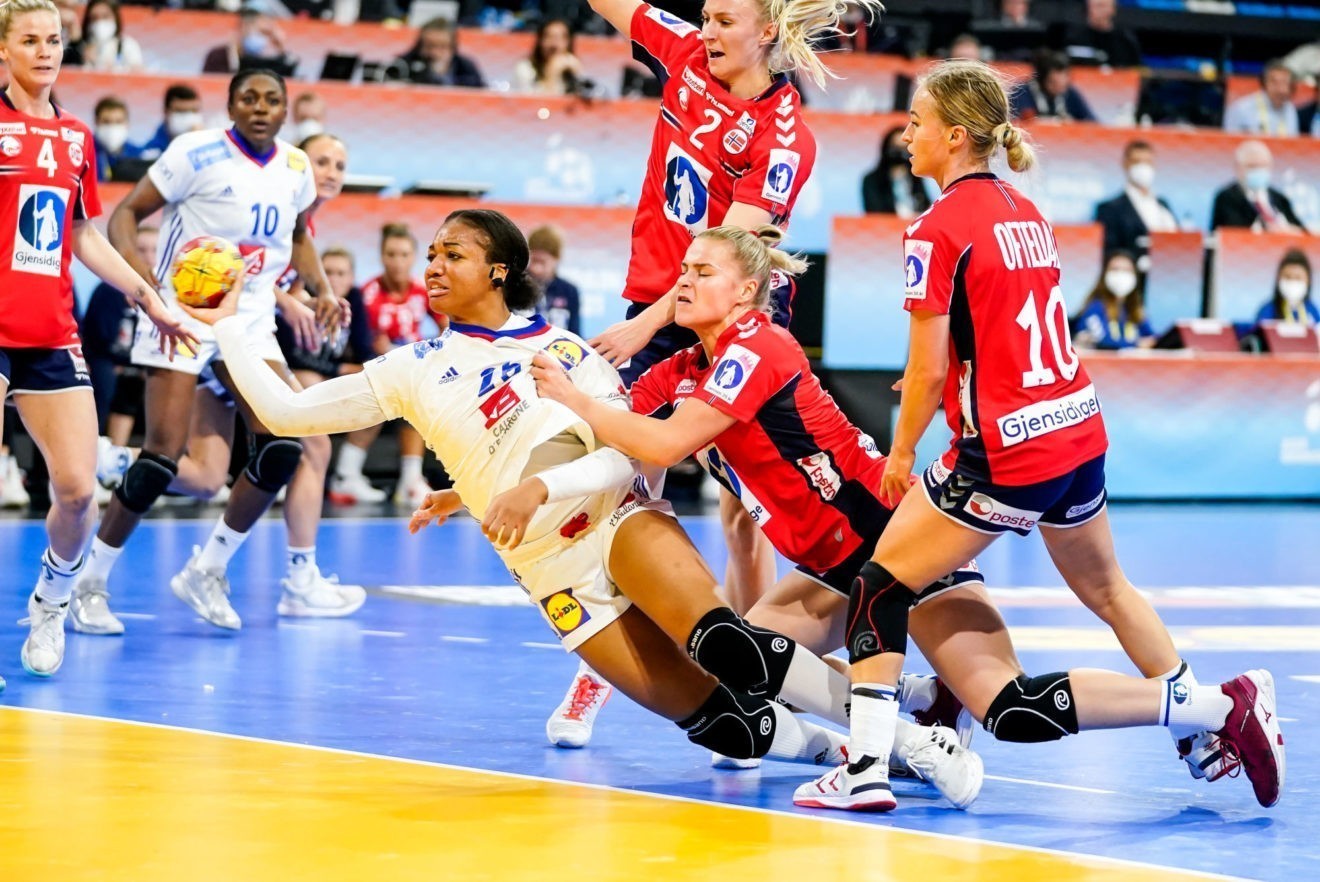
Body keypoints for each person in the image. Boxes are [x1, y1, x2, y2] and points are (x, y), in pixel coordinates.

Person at [185, 207, 985, 801]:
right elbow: (287, 414)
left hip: (610, 515)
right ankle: (840, 744)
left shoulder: (564, 350)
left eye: (452, 254)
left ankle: (909, 743)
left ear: (499, 269)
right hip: (542, 563)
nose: (432, 265)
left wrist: (541, 486)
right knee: (723, 724)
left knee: (728, 647)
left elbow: (625, 448)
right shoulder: (409, 368)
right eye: (428, 254)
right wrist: (226, 329)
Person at [785, 58, 1283, 812]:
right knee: (1110, 590)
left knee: (877, 588)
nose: (906, 136)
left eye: (917, 123)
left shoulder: (935, 226)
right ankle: (1202, 731)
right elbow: (1001, 322)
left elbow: (922, 376)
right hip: (1076, 427)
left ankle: (864, 773)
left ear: (955, 137)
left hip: (1009, 453)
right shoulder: (1026, 210)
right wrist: (954, 371)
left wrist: (900, 452)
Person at [552, 0, 884, 749]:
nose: (706, 29)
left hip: (727, 305)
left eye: (724, 19)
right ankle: (600, 673)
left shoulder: (784, 137)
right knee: (631, 490)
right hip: (658, 298)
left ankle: (757, 670)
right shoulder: (683, 55)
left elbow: (730, 257)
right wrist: (646, 316)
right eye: (703, 15)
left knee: (745, 508)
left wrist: (646, 322)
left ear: (767, 30)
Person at [68, 68, 351, 649]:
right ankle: (87, 583)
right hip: (181, 313)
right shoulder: (194, 153)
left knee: (283, 443)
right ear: (230, 105)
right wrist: (142, 283)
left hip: (247, 319)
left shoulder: (297, 167)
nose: (260, 107)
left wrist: (320, 288)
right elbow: (125, 214)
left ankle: (207, 568)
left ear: (285, 109)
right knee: (162, 460)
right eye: (248, 97)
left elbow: (299, 234)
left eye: (272, 99)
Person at [0, 0, 195, 678]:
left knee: (78, 490)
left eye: (53, 39)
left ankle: (51, 601)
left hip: (49, 329)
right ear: (4, 50)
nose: (45, 51)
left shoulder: (78, 139)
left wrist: (150, 296)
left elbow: (84, 233)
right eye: (29, 40)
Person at [164, 130, 366, 616]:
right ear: (296, 164)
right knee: (309, 442)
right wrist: (288, 301)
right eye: (321, 162)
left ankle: (109, 460)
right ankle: (297, 578)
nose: (331, 173)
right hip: (225, 334)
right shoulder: (265, 201)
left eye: (339, 165)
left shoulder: (303, 230)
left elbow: (257, 271)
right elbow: (231, 267)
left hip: (237, 338)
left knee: (205, 475)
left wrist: (315, 297)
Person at [330, 223, 438, 508]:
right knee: (388, 394)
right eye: (391, 254)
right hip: (376, 371)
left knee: (421, 392)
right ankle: (346, 476)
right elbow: (363, 346)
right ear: (381, 256)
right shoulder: (367, 294)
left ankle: (410, 480)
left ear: (414, 257)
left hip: (410, 370)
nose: (398, 261)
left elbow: (448, 328)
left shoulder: (422, 291)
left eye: (404, 254)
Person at [1093, 139, 1179, 266]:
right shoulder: (1110, 209)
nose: (1143, 167)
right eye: (1137, 161)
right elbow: (1109, 251)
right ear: (1125, 164)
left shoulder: (1163, 204)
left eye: (1148, 162)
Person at [1211, 140, 1306, 233]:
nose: (1258, 170)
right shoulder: (1227, 198)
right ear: (1238, 168)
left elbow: (1302, 232)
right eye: (1252, 166)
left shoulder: (1280, 198)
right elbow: (1232, 233)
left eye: (1263, 166)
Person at [1071, 250, 1156, 349]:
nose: (1121, 275)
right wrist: (1137, 344)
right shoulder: (1094, 307)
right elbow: (1102, 341)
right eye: (1115, 269)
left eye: (1127, 270)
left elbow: (1151, 337)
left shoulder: (1134, 309)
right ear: (1104, 274)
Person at [203, 2, 298, 77]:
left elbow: (288, 73)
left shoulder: (266, 62)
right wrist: (233, 54)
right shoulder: (217, 55)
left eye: (265, 33)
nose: (261, 38)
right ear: (242, 26)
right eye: (259, 32)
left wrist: (280, 49)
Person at [861, 124, 933, 218]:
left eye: (904, 149)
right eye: (895, 149)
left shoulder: (916, 177)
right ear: (886, 149)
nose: (900, 154)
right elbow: (874, 212)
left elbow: (925, 206)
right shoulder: (872, 180)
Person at [392, 18, 485, 88]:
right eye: (430, 46)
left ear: (452, 47)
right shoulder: (403, 65)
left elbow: (481, 93)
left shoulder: (466, 67)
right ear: (420, 45)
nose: (435, 52)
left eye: (442, 46)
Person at [1010, 50, 1097, 122]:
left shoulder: (1070, 93)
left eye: (1065, 81)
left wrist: (1073, 123)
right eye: (1053, 83)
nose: (1060, 86)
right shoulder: (1021, 92)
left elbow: (1092, 123)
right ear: (1042, 79)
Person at [527, 224, 582, 336]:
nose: (536, 269)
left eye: (542, 262)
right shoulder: (514, 285)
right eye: (534, 260)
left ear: (557, 259)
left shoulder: (569, 291)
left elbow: (575, 333)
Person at [1223, 60, 1301, 138]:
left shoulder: (1290, 109)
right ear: (1264, 84)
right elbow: (1228, 143)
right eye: (1274, 83)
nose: (1280, 89)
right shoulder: (1241, 108)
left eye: (1284, 83)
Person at [512, 18, 587, 95]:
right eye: (549, 37)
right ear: (540, 41)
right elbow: (534, 103)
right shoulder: (525, 68)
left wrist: (577, 75)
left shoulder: (572, 66)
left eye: (561, 38)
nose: (554, 45)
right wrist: (552, 74)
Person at [1062, 0, 1141, 68]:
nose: (1097, 11)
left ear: (1113, 9)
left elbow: (1136, 71)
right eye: (1093, 6)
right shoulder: (1074, 38)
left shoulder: (1126, 41)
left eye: (1101, 6)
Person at [137, 83, 202, 161]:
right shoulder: (150, 153)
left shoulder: (209, 147)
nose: (189, 117)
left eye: (193, 111)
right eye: (181, 111)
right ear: (166, 112)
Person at [1256, 248, 1318, 326]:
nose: (1292, 282)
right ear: (1278, 279)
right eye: (1287, 277)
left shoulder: (1312, 310)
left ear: (1308, 281)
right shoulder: (1267, 310)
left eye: (1298, 278)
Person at [77, 0, 142, 73]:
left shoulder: (127, 44)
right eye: (94, 18)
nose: (99, 22)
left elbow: (138, 72)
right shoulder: (81, 46)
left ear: (116, 18)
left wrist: (115, 69)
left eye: (105, 16)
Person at [91, 95, 142, 182]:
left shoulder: (137, 155)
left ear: (127, 124)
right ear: (96, 122)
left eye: (118, 122)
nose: (112, 128)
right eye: (106, 122)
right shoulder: (85, 152)